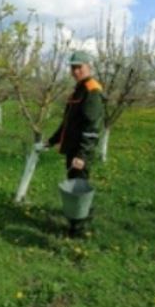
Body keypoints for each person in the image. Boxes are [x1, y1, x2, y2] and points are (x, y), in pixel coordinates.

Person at [46, 51, 105, 237]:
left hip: (80, 151)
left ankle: (77, 230)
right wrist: (52, 140)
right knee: (74, 184)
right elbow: (68, 123)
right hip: (73, 149)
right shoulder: (79, 89)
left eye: (79, 67)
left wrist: (82, 155)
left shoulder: (92, 90)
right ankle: (76, 220)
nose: (75, 71)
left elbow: (92, 127)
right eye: (73, 67)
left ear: (89, 66)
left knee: (78, 190)